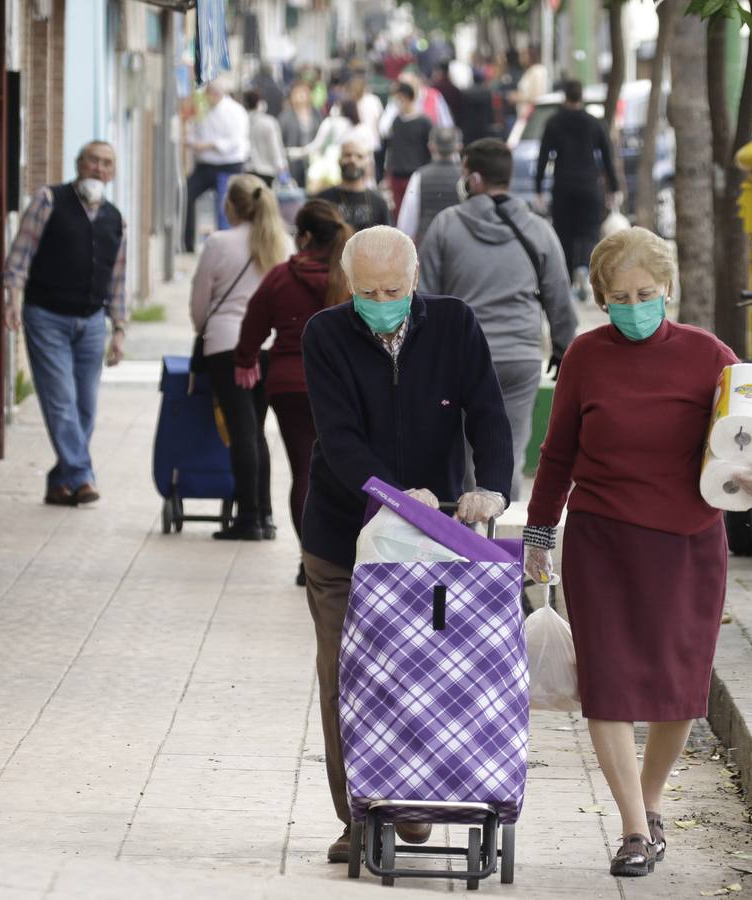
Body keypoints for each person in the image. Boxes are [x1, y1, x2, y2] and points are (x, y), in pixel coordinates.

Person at [523, 228, 752, 877]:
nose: (634, 306)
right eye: (619, 296)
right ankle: (634, 829)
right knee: (609, 687)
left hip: (688, 543)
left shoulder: (706, 354)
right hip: (601, 541)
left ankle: (648, 806)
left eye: (645, 294)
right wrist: (536, 536)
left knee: (680, 692)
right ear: (600, 297)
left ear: (666, 290)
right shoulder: (585, 355)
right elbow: (557, 451)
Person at [299, 225, 514, 864]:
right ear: (350, 286)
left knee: (424, 672)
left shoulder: (454, 326)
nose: (380, 299)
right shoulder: (325, 335)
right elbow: (339, 441)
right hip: (342, 538)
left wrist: (494, 488)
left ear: (415, 281)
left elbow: (489, 414)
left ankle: (415, 795)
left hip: (434, 542)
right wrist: (394, 494)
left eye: (392, 289)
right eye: (367, 291)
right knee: (346, 674)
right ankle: (360, 812)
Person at [419, 138, 576, 500]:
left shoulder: (445, 226)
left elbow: (424, 298)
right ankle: (501, 543)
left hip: (462, 361)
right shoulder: (539, 230)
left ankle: (468, 540)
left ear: (473, 179)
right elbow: (559, 296)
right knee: (510, 451)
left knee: (464, 456)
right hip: (520, 357)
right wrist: (563, 347)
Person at [234, 200, 353, 586]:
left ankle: (311, 561)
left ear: (302, 236)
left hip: (289, 386)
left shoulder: (281, 277)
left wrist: (245, 359)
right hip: (341, 389)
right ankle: (343, 558)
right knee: (346, 474)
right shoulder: (350, 279)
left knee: (304, 471)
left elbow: (252, 323)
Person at [2, 140, 126, 506]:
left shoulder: (116, 218)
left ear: (112, 172)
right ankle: (83, 477)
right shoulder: (48, 199)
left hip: (90, 322)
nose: (99, 169)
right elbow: (20, 254)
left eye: (106, 164)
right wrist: (12, 299)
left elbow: (118, 279)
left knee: (84, 407)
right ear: (79, 164)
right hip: (47, 316)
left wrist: (119, 329)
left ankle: (61, 482)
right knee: (61, 401)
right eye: (93, 161)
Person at [189, 175, 296, 540]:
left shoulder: (219, 243)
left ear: (230, 205)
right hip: (268, 348)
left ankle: (249, 517)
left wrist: (205, 326)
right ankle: (265, 515)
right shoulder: (283, 243)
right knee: (257, 431)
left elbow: (200, 302)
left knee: (241, 431)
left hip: (226, 347)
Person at [536, 79, 620, 296]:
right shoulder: (594, 123)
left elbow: (543, 157)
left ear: (565, 97)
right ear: (581, 97)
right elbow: (607, 158)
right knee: (588, 231)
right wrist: (614, 188)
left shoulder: (554, 122)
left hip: (563, 185)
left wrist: (538, 189)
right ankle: (584, 268)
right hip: (589, 185)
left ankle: (567, 277)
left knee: (564, 231)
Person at [183, 78, 251, 252]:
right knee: (186, 194)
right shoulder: (205, 110)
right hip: (206, 165)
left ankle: (227, 244)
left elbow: (235, 141)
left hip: (229, 164)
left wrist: (208, 145)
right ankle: (187, 243)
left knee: (226, 205)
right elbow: (196, 131)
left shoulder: (235, 111)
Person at [396, 126, 461, 243]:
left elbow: (407, 221)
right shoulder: (466, 176)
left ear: (431, 146)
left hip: (429, 241)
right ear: (458, 146)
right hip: (459, 241)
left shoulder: (419, 175)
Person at [382, 82, 433, 220]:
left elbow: (429, 150)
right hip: (397, 174)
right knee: (398, 214)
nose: (397, 102)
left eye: (398, 98)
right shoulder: (396, 121)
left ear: (405, 97)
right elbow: (392, 148)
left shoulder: (424, 122)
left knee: (415, 214)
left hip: (416, 174)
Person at [316, 140, 391, 232]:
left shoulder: (380, 203)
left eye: (359, 156)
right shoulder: (322, 200)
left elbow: (387, 240)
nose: (352, 160)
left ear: (367, 163)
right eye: (348, 155)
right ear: (339, 160)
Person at [279, 81, 320, 191]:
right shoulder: (285, 116)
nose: (300, 96)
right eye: (297, 93)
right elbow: (280, 139)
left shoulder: (316, 113)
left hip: (312, 158)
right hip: (293, 159)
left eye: (303, 93)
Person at [243, 89, 288, 187]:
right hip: (267, 172)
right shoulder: (269, 122)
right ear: (261, 103)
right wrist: (282, 167)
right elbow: (275, 148)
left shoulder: (243, 121)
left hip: (248, 170)